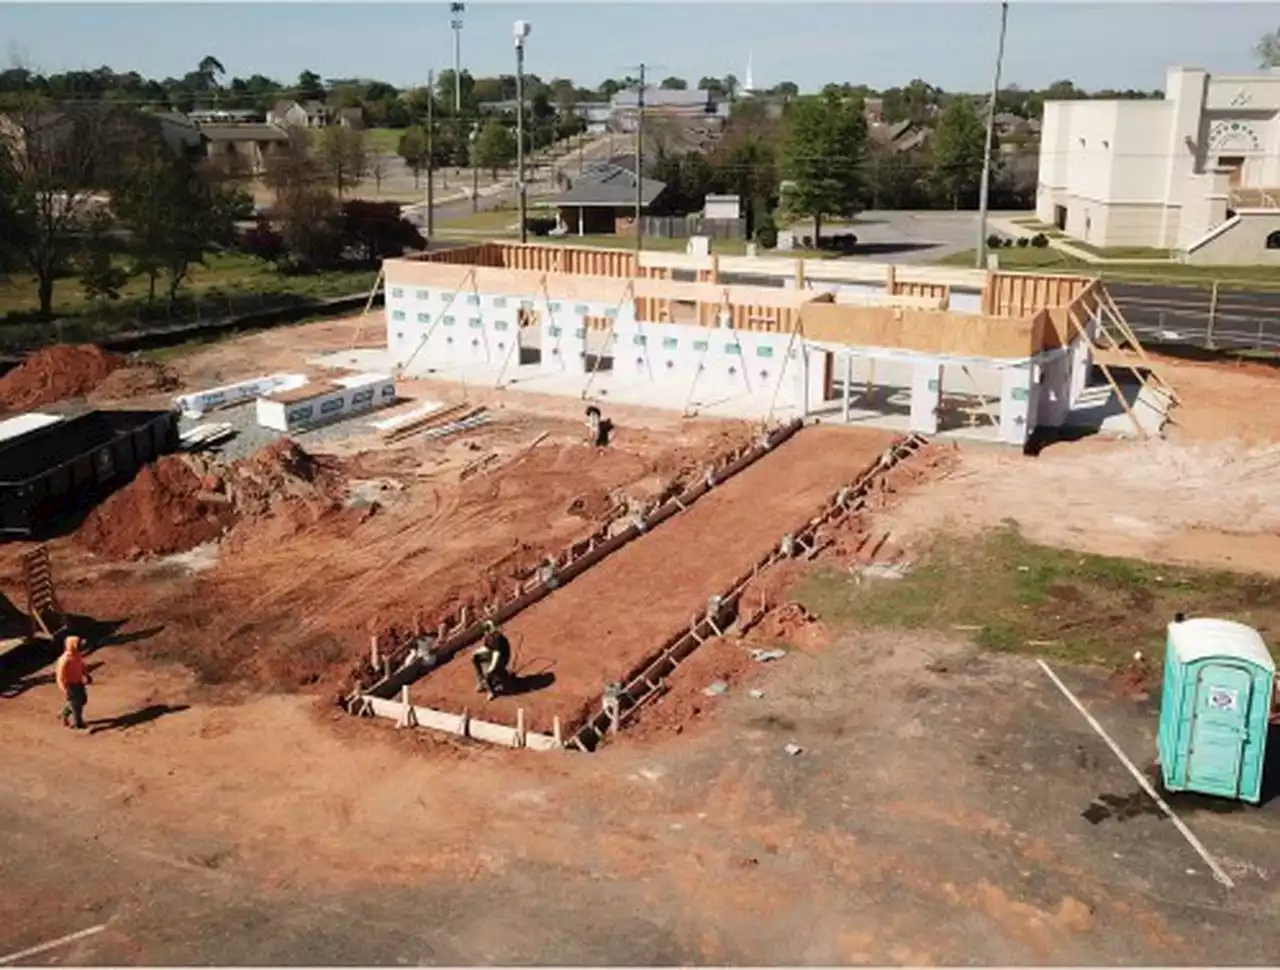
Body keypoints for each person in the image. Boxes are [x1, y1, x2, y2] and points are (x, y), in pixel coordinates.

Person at [56, 635, 93, 731]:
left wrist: (86, 675)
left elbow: (82, 665)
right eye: (78, 643)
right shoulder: (64, 659)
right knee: (77, 706)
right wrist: (64, 689)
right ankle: (78, 724)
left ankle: (65, 712)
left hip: (78, 682)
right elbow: (60, 677)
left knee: (83, 700)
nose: (81, 645)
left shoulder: (77, 655)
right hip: (70, 685)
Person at [472, 620, 512, 700]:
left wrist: (491, 668)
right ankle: (481, 681)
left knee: (488, 672)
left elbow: (496, 654)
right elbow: (487, 648)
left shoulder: (497, 638)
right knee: (475, 658)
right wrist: (476, 653)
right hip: (492, 654)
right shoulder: (487, 637)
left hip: (501, 658)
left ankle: (491, 691)